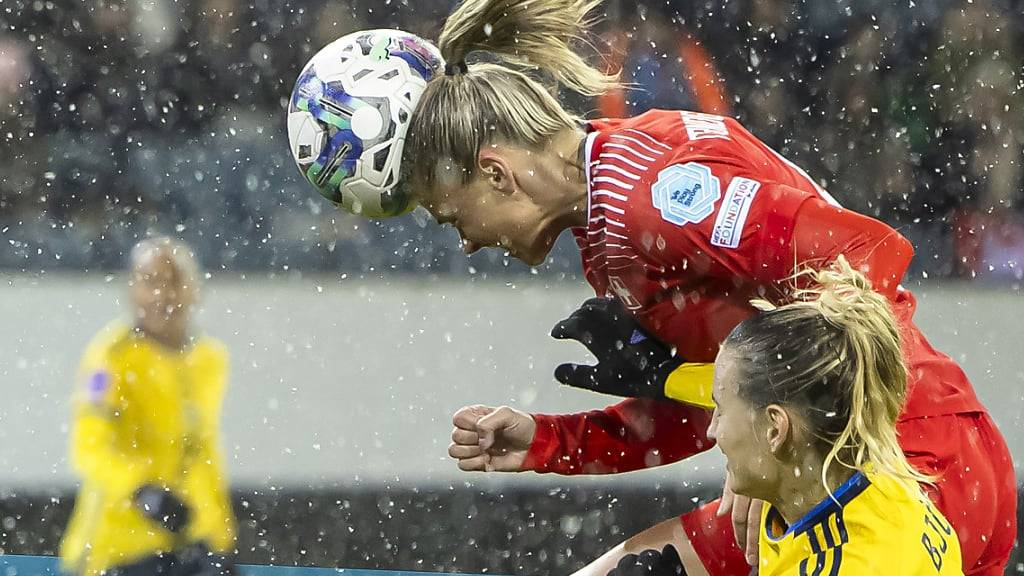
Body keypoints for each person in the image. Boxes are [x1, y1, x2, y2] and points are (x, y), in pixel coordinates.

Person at [397, 1, 1016, 574]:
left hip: (904, 463)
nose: (466, 243)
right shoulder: (613, 202)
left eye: (453, 217)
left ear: (497, 174)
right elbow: (715, 411)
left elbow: (866, 256)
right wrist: (550, 441)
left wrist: (785, 436)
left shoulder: (655, 201)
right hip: (873, 464)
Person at [707, 257, 962, 575]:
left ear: (775, 429)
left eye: (720, 409)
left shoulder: (857, 565)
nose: (712, 430)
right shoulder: (879, 480)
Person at [59, 237, 237, 576]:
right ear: (131, 292)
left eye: (173, 282)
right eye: (150, 282)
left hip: (187, 540)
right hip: (118, 547)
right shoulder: (111, 357)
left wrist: (219, 530)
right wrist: (142, 490)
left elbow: (203, 449)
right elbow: (89, 447)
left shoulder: (209, 359)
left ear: (195, 290)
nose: (162, 295)